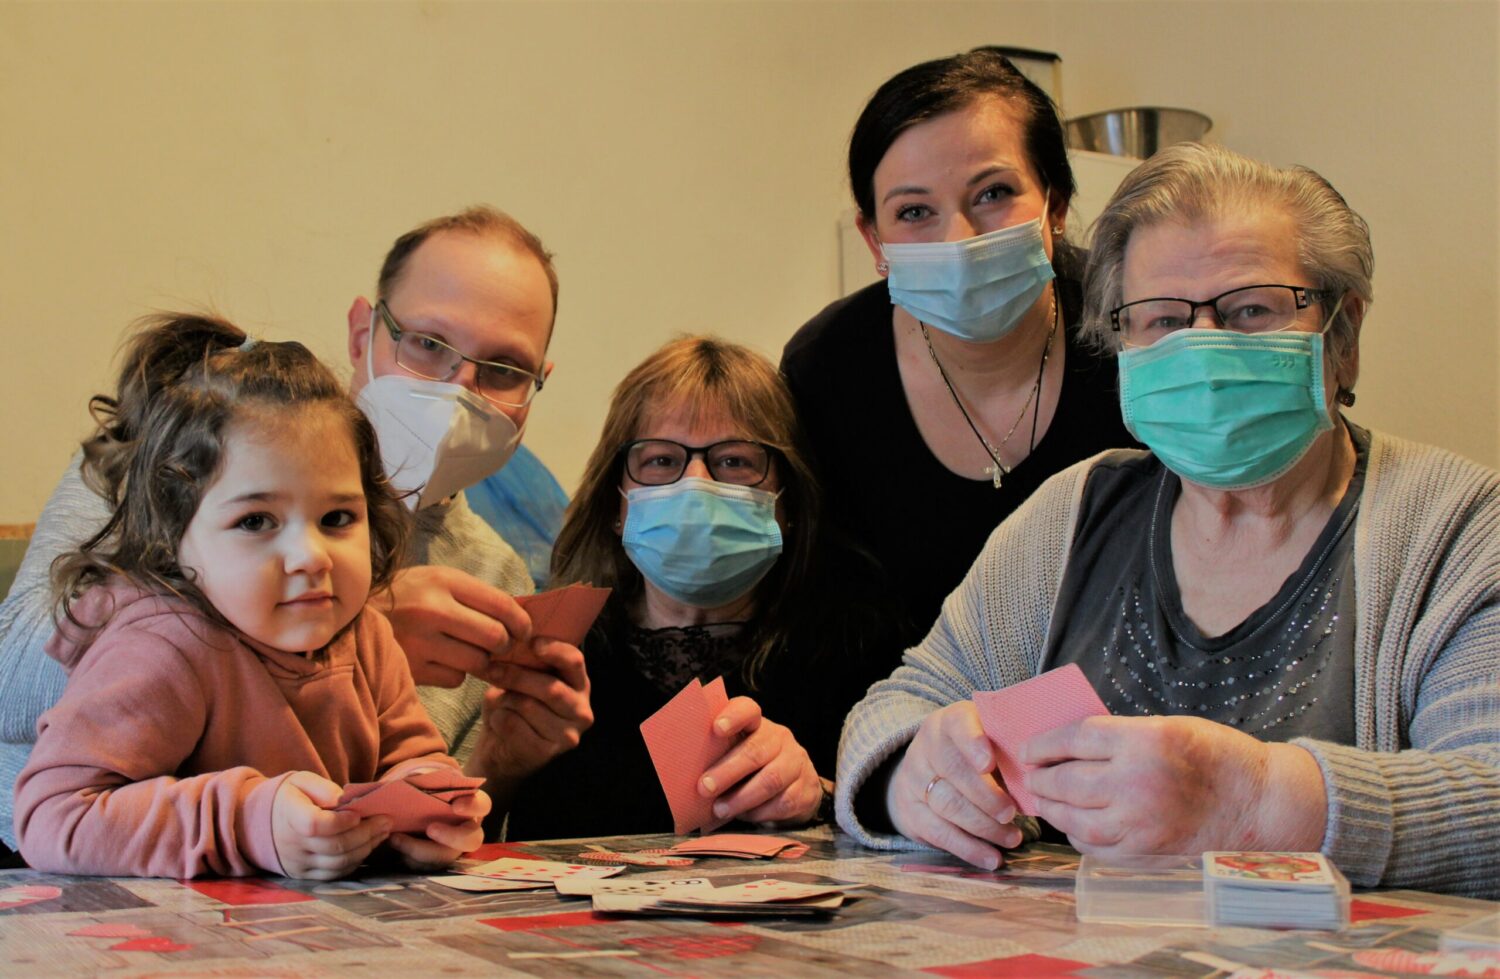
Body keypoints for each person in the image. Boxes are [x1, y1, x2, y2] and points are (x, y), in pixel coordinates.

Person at [836, 143, 1500, 897]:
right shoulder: (1077, 513)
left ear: (1341, 335)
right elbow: (899, 701)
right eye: (1160, 320)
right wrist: (911, 772)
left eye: (1252, 309)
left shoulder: (1458, 527)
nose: (1203, 346)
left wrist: (1258, 801)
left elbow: (1491, 797)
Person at [0, 206, 591, 856]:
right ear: (364, 331)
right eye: (428, 343)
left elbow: (407, 792)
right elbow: (15, 684)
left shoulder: (498, 574)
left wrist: (491, 772)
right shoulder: (168, 449)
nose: (459, 389)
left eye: (503, 369)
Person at [14, 317, 488, 879]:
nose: (312, 556)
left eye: (337, 518)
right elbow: (53, 818)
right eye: (256, 520)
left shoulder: (366, 634)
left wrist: (426, 807)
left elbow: (411, 758)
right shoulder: (163, 644)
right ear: (172, 534)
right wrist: (247, 823)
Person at [782, 48, 1135, 655]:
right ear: (874, 239)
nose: (959, 238)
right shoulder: (827, 370)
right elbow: (820, 615)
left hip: (1119, 721)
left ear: (1055, 206)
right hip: (909, 725)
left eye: (993, 193)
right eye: (914, 211)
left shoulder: (1134, 333)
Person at [502, 337, 891, 839]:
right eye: (662, 461)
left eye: (734, 462)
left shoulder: (861, 654)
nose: (696, 484)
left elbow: (927, 830)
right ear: (615, 504)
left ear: (789, 503)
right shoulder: (559, 657)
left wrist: (822, 797)